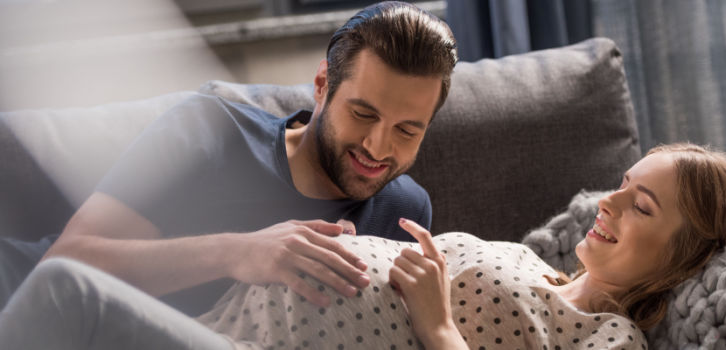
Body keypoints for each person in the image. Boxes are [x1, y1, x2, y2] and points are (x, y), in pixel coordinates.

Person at [0, 143, 726, 349]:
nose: (606, 202)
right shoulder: (536, 264)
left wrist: (438, 324)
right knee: (68, 290)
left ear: (685, 256)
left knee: (69, 294)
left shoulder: (607, 338)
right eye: (621, 182)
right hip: (222, 328)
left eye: (639, 205)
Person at [0, 0, 457, 315]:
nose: (378, 147)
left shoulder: (405, 213)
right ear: (322, 86)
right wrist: (238, 252)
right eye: (362, 114)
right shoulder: (210, 132)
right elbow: (62, 268)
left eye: (406, 130)